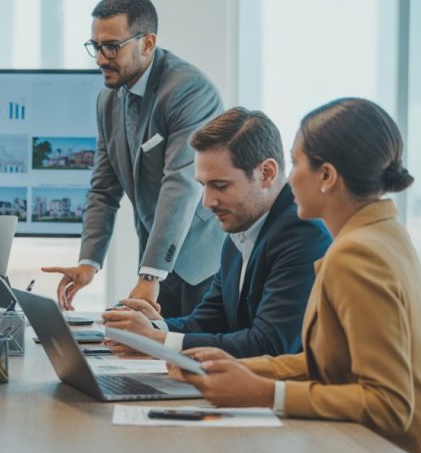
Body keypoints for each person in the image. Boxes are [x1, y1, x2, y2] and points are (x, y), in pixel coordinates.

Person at [171, 97, 421, 453]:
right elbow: (333, 364)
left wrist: (268, 393)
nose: (289, 177)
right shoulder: (381, 233)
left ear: (328, 176)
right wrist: (236, 370)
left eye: (296, 162)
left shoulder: (357, 254)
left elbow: (389, 406)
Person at [43, 0, 225, 318]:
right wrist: (89, 263)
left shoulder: (188, 90)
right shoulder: (108, 100)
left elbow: (181, 184)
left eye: (111, 46)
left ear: (147, 43)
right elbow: (103, 189)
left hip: (203, 264)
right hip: (155, 257)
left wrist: (150, 273)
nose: (100, 58)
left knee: (199, 358)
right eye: (95, 47)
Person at [103, 108, 330, 357]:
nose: (207, 202)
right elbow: (212, 318)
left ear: (266, 173)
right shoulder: (242, 226)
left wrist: (158, 340)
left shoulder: (303, 234)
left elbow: (269, 345)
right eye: (203, 186)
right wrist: (153, 327)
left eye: (220, 186)